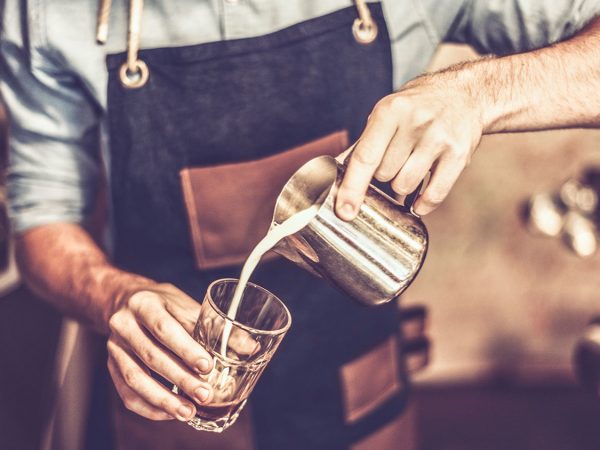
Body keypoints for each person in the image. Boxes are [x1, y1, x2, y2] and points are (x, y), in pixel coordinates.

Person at [1, 1, 600, 449]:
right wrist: (115, 297)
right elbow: (41, 220)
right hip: (170, 409)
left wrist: (480, 92)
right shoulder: (53, 13)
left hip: (359, 392)